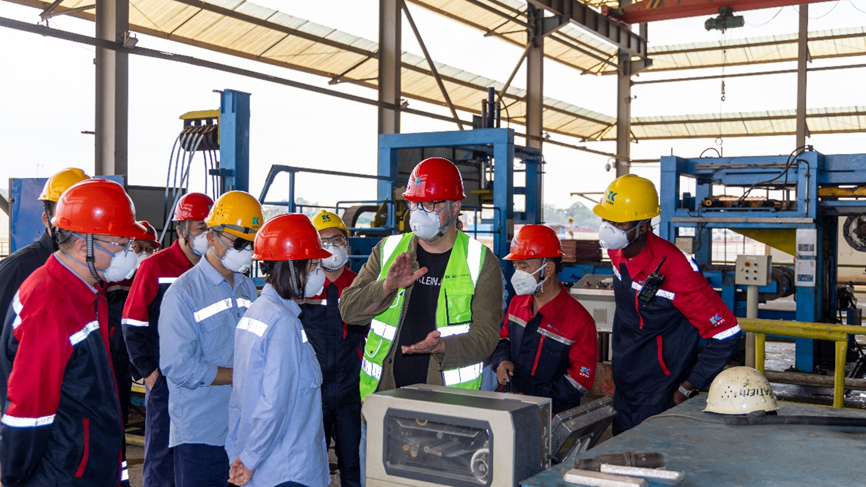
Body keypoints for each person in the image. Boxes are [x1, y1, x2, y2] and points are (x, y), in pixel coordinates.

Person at [340, 157, 502, 483]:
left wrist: (446, 346)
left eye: (431, 204)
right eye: (415, 203)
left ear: (456, 206)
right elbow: (349, 310)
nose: (420, 213)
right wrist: (386, 286)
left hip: (447, 414)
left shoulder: (481, 262)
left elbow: (487, 335)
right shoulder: (387, 251)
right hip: (382, 406)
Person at [0, 179, 145, 485]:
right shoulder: (49, 305)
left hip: (88, 466)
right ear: (83, 245)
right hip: (62, 473)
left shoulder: (89, 291)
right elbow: (29, 411)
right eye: (122, 244)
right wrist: (16, 478)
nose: (129, 254)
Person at [593, 174, 740, 435]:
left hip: (660, 393)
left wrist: (688, 386)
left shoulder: (677, 271)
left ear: (644, 225)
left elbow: (726, 333)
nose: (609, 228)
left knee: (654, 465)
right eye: (607, 219)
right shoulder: (617, 252)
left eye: (619, 222)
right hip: (626, 384)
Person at [159, 191, 262, 487]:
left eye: (251, 243)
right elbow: (178, 366)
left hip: (242, 430)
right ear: (212, 237)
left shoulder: (247, 288)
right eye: (239, 242)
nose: (247, 251)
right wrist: (237, 375)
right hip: (202, 433)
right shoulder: (183, 294)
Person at [226, 213, 331, 487]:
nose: (319, 273)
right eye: (313, 265)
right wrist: (247, 460)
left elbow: (238, 397)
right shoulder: (282, 324)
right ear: (292, 267)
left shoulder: (256, 312)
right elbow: (274, 406)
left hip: (263, 466)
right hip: (288, 471)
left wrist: (240, 454)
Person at [122, 192, 213, 487]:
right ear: (181, 230)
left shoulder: (213, 270)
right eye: (201, 228)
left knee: (198, 454)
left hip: (205, 381)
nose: (207, 236)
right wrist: (150, 376)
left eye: (213, 229)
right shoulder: (155, 267)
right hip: (166, 382)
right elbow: (133, 324)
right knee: (162, 457)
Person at [492, 225, 598, 414]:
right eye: (515, 267)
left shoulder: (579, 321)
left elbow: (579, 381)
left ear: (547, 269)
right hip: (512, 405)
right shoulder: (518, 303)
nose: (517, 274)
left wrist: (536, 398)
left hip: (551, 416)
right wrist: (502, 361)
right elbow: (504, 338)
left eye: (524, 267)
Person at [298, 210, 366, 487]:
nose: (332, 247)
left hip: (352, 390)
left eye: (337, 239)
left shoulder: (361, 285)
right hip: (313, 390)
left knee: (354, 462)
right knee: (311, 463)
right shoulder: (302, 287)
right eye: (323, 241)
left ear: (347, 244)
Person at [0, 167, 90, 326]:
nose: (78, 224)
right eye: (68, 213)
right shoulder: (17, 268)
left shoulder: (95, 269)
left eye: (84, 213)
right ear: (46, 219)